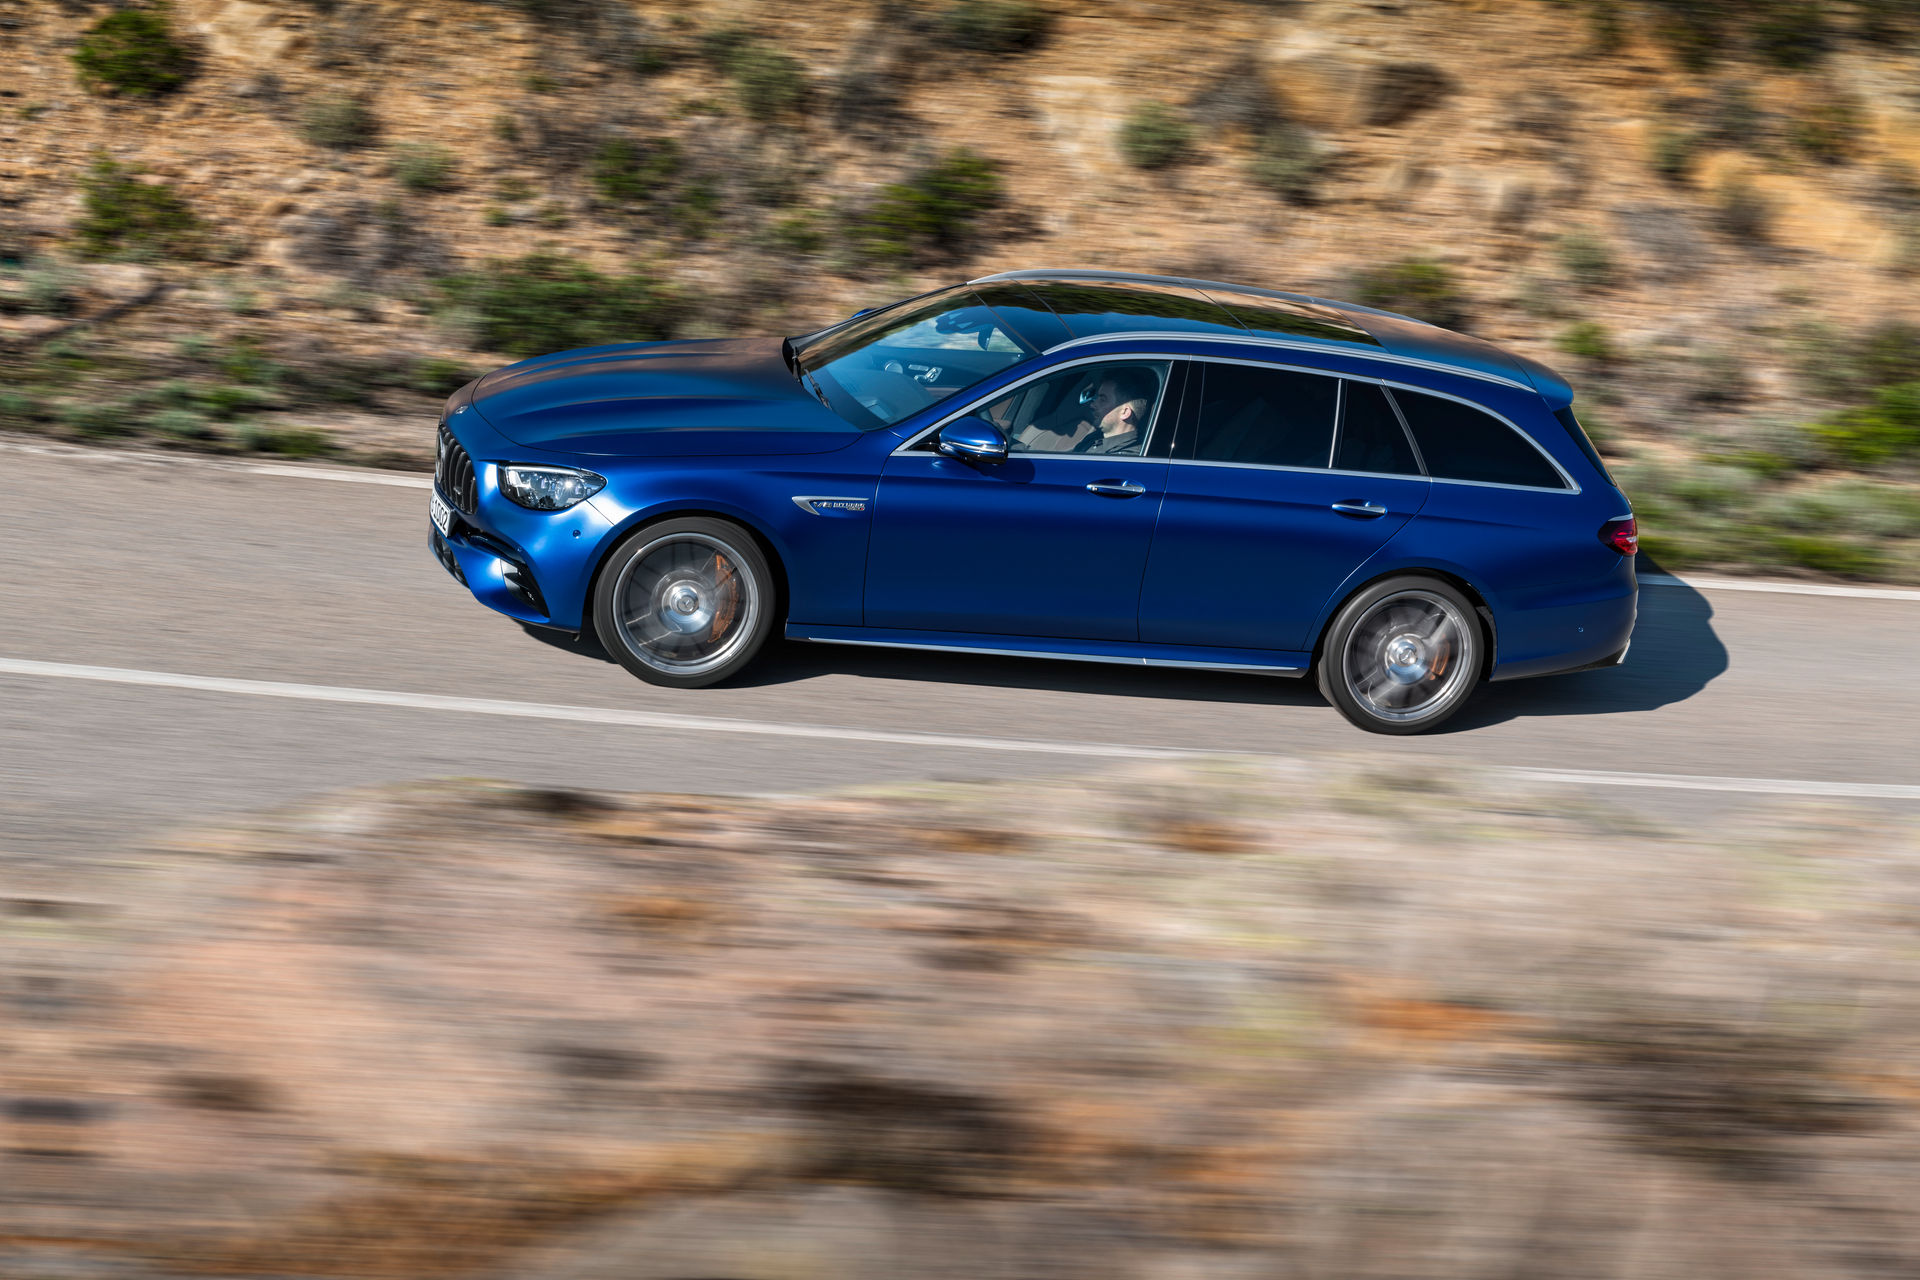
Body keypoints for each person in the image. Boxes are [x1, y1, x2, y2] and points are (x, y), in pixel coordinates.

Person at [1013, 367, 1157, 455]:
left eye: (1103, 399)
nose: (1092, 404)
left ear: (1125, 412)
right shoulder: (1096, 438)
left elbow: (1068, 472)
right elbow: (1061, 464)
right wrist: (1013, 446)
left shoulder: (1127, 456)